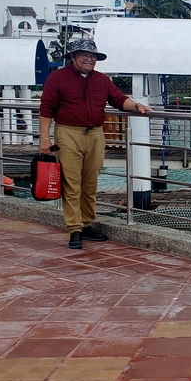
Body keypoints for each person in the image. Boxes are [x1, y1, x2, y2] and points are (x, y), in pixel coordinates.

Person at [39, 39, 153, 249]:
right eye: (84, 54)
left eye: (93, 56)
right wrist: (45, 139)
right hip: (68, 134)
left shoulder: (101, 80)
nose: (89, 59)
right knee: (71, 184)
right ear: (73, 57)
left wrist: (137, 105)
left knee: (90, 183)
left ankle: (87, 224)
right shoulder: (57, 78)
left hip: (95, 135)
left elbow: (119, 99)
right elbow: (46, 109)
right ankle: (74, 229)